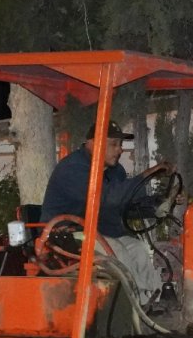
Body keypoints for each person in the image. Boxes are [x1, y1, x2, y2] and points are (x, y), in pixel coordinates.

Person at [40, 120, 172, 308]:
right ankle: (137, 305)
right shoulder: (72, 169)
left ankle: (157, 300)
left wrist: (158, 204)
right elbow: (108, 198)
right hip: (65, 234)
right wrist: (146, 175)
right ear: (92, 143)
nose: (120, 150)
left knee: (137, 248)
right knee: (116, 251)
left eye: (120, 144)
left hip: (97, 232)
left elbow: (125, 205)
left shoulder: (114, 171)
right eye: (114, 144)